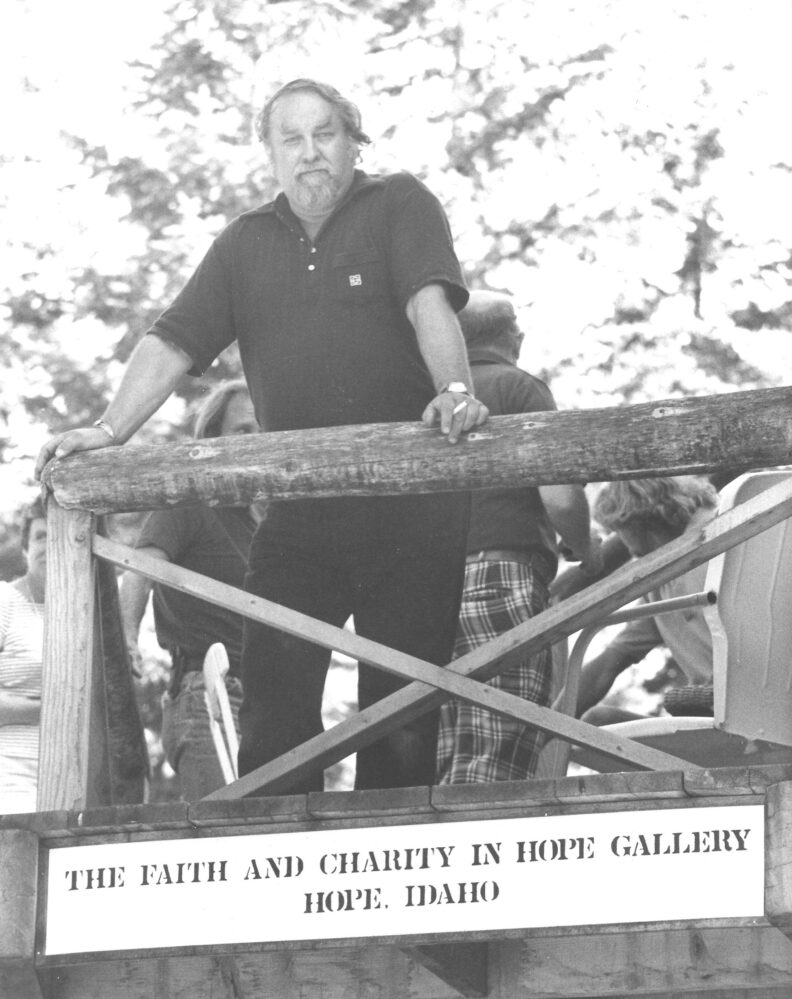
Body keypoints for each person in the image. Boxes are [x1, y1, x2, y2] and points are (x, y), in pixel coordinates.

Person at [37, 78, 488, 794]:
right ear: (271, 155)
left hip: (413, 509)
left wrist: (455, 391)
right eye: (292, 139)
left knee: (402, 716)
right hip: (300, 515)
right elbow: (175, 341)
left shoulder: (400, 202)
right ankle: (279, 876)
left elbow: (429, 301)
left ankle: (390, 893)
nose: (311, 154)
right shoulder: (245, 244)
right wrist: (108, 427)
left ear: (353, 141)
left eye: (326, 134)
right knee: (274, 712)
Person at [435, 291, 602, 783]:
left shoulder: (424, 396)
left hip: (422, 587)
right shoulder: (517, 387)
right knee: (499, 743)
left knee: (447, 743)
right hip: (500, 575)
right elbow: (562, 498)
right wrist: (583, 549)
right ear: (515, 338)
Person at [119, 380, 261, 800]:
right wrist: (127, 638)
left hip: (258, 702)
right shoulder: (191, 502)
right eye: (243, 431)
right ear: (213, 438)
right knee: (225, 838)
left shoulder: (259, 524)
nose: (256, 441)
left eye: (264, 430)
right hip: (207, 694)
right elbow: (141, 567)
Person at [575, 476, 718, 724]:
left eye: (623, 532)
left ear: (648, 519)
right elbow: (610, 661)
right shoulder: (660, 577)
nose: (630, 552)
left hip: (755, 704)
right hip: (713, 716)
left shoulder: (724, 537)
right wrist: (541, 726)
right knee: (597, 722)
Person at [0, 498, 46, 813]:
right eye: (41, 536)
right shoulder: (6, 600)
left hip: (68, 780)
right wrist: (49, 712)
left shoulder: (88, 615)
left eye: (60, 536)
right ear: (26, 548)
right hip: (10, 777)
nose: (50, 545)